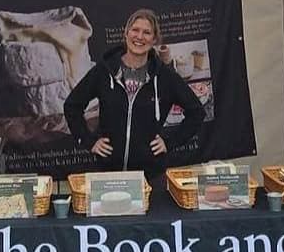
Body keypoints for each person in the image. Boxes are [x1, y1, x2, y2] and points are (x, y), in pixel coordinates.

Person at [63, 9, 206, 174]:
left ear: (154, 40)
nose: (139, 37)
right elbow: (72, 106)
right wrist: (88, 141)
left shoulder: (165, 76)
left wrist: (169, 142)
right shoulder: (104, 71)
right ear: (126, 33)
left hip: (150, 175)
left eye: (147, 33)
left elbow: (196, 112)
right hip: (108, 173)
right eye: (135, 30)